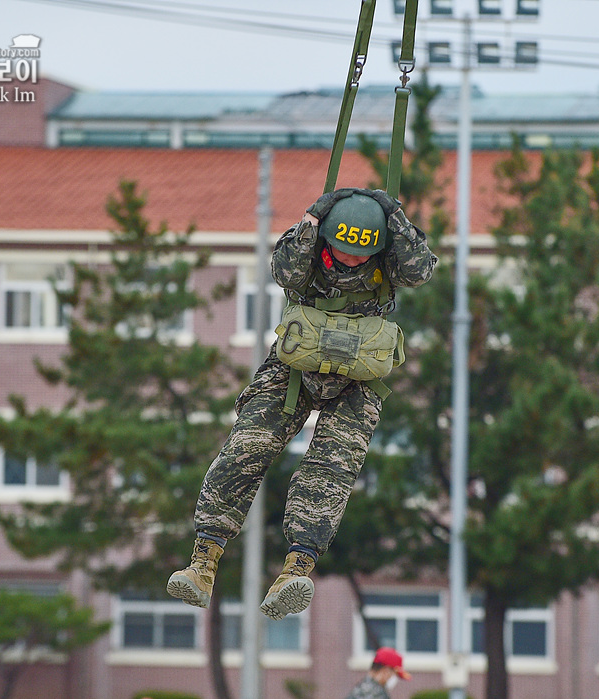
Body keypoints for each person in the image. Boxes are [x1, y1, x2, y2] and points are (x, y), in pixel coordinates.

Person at [167, 187, 437, 620]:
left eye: (360, 253)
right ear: (330, 238)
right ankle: (203, 562)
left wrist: (396, 218)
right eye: (344, 249)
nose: (351, 259)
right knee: (245, 449)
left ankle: (296, 569)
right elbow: (285, 272)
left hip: (357, 379)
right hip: (293, 369)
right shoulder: (309, 249)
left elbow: (420, 271)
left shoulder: (386, 259)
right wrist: (311, 219)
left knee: (330, 470)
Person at [346, 647, 412, 699]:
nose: (393, 679)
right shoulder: (374, 693)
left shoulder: (362, 689)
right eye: (394, 674)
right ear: (386, 671)